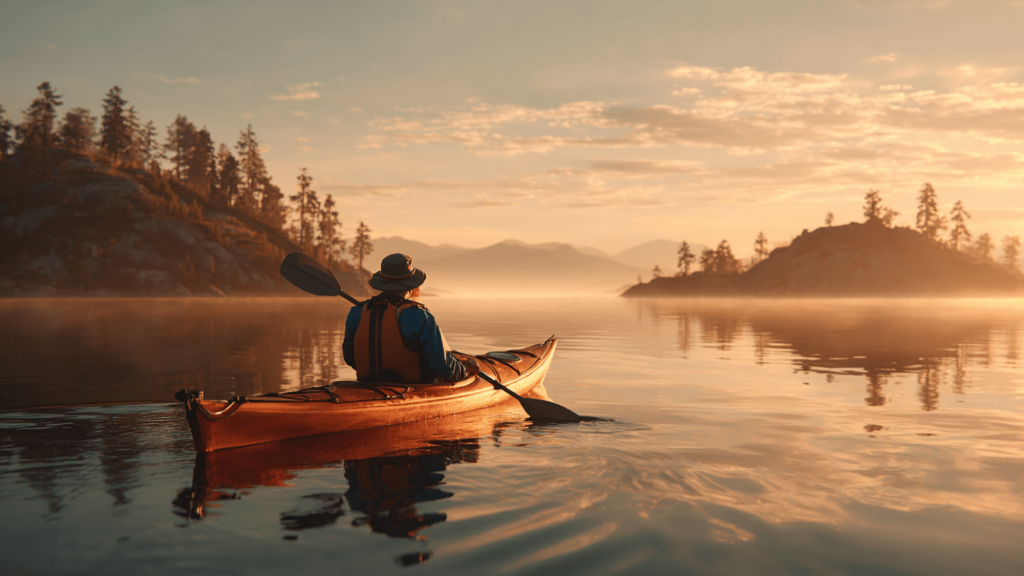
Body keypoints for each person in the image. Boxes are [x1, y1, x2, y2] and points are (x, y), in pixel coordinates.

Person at [342, 253, 477, 384]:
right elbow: (444, 368)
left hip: (367, 384)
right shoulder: (420, 316)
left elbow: (350, 358)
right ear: (412, 285)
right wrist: (465, 369)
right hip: (412, 389)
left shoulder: (357, 312)